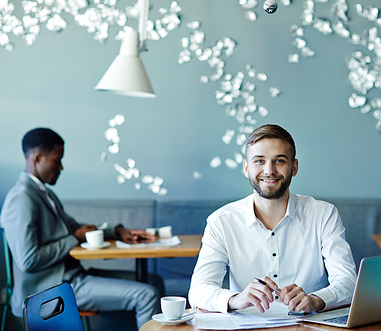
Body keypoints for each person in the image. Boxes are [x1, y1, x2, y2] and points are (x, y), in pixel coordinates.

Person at [0, 127, 161, 330]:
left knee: (153, 281)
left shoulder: (45, 194)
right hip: (50, 290)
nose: (61, 167)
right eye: (57, 160)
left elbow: (76, 228)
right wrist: (73, 238)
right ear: (38, 158)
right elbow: (28, 260)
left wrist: (118, 231)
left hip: (71, 277)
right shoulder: (21, 198)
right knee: (147, 295)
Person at [188, 124, 357, 314]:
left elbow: (349, 282)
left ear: (294, 167)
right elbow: (199, 291)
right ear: (246, 168)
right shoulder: (221, 221)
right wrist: (236, 299)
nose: (269, 170)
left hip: (309, 326)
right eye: (259, 161)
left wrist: (316, 300)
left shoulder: (324, 215)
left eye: (279, 161)